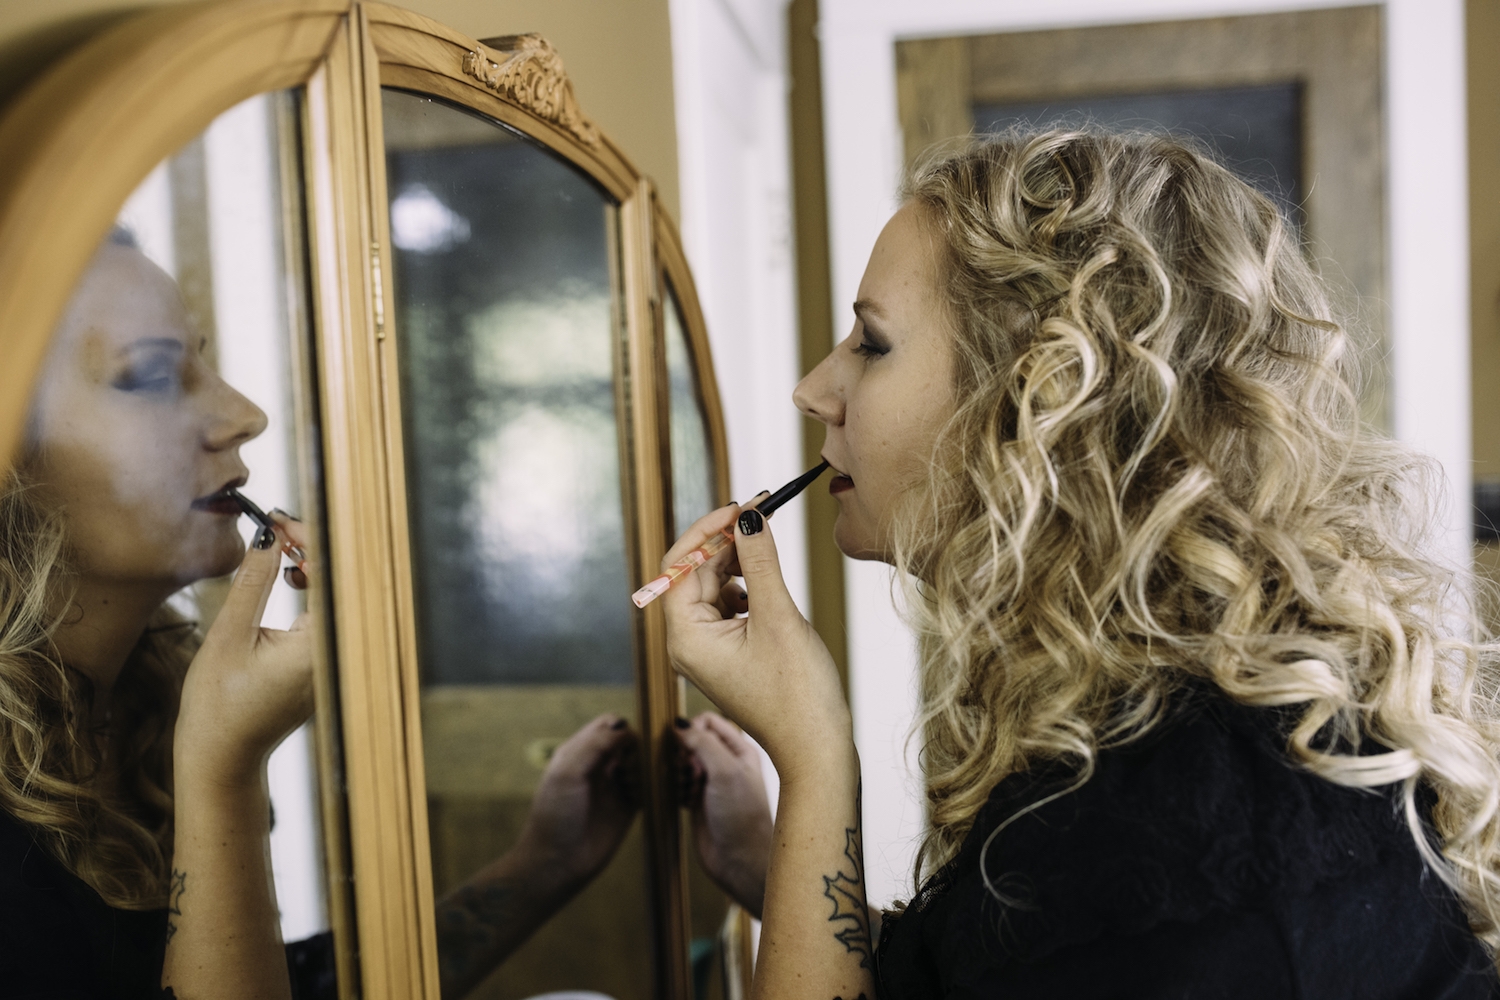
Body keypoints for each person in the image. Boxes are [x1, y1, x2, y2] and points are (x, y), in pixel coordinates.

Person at [661, 128, 1500, 999]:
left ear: (1040, 400)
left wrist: (813, 754)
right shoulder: (1156, 709)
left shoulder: (1179, 832)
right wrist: (775, 856)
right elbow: (1006, 970)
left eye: (871, 345)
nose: (812, 389)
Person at [0, 229, 768, 1000]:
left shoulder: (140, 702)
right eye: (154, 375)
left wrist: (541, 866)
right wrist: (223, 767)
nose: (245, 413)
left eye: (205, 360)